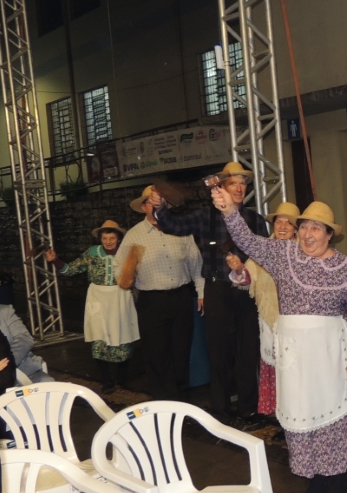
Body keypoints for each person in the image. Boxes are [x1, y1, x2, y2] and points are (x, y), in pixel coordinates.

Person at [212, 189, 347, 493]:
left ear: (329, 234)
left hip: (332, 352)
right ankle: (315, 483)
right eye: (304, 227)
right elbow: (248, 240)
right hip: (295, 353)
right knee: (303, 411)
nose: (308, 234)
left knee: (335, 416)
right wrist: (229, 211)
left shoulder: (346, 267)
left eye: (316, 228)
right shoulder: (283, 254)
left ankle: (340, 485)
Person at [151, 163, 270, 423]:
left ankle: (249, 409)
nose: (239, 188)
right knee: (219, 353)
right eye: (233, 183)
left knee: (248, 352)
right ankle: (220, 411)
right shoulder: (205, 216)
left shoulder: (256, 220)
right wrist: (160, 208)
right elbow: (173, 225)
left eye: (243, 183)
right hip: (218, 290)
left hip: (248, 293)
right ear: (222, 188)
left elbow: (265, 257)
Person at [115, 185, 204, 401]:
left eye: (160, 202)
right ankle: (163, 401)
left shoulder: (180, 229)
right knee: (156, 353)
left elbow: (196, 263)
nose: (156, 206)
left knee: (181, 350)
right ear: (144, 207)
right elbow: (119, 270)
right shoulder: (134, 235)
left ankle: (181, 400)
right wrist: (127, 275)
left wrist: (201, 292)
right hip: (151, 301)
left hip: (181, 297)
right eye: (152, 202)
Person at [226, 201, 300, 426]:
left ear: (296, 228)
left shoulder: (304, 253)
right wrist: (239, 269)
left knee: (297, 367)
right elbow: (247, 279)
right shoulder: (263, 249)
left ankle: (298, 412)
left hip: (297, 321)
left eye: (289, 223)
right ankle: (280, 413)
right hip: (270, 320)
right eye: (279, 222)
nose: (283, 226)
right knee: (275, 365)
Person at [45, 220, 139, 393]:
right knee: (99, 338)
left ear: (118, 238)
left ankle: (121, 379)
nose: (108, 242)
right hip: (98, 298)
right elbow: (70, 269)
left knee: (123, 337)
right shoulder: (92, 253)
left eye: (112, 238)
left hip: (120, 298)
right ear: (100, 239)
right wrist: (55, 260)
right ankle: (106, 380)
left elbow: (139, 275)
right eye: (105, 238)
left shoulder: (128, 254)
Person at [0, 283, 53, 385]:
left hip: (23, 370)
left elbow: (24, 338)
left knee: (51, 389)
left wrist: (7, 361)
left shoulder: (4, 311)